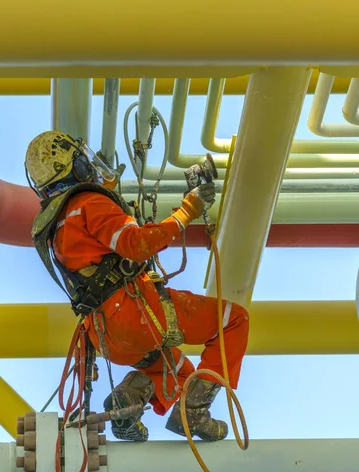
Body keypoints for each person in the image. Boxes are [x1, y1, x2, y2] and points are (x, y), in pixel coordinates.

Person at [25, 131, 249, 442]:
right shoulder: (88, 203)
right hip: (136, 315)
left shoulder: (56, 228)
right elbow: (136, 244)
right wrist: (188, 211)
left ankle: (127, 401)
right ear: (73, 165)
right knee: (235, 319)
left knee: (180, 373)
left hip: (105, 335)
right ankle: (195, 413)